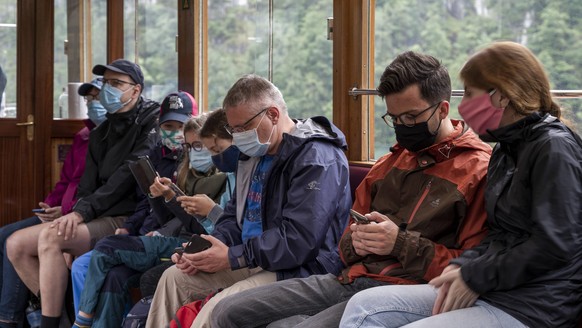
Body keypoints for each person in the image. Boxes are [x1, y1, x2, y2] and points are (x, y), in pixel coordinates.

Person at [211, 51, 492, 328]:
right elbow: (343, 244)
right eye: (393, 119)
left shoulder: (475, 170)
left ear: (442, 110)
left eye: (410, 117)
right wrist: (358, 240)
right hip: (348, 278)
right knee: (228, 311)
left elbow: (471, 268)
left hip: (405, 288)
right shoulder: (388, 164)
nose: (402, 127)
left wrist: (399, 243)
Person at [339, 42, 582, 328]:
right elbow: (500, 235)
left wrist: (475, 275)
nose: (463, 106)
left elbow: (554, 244)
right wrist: (462, 268)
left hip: (534, 304)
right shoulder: (505, 150)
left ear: (501, 96)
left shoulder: (554, 149)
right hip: (496, 288)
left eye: (469, 93)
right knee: (364, 306)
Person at [145, 74, 352, 328]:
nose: (238, 136)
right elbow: (235, 217)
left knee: (217, 309)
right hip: (252, 257)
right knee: (173, 278)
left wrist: (233, 257)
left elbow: (300, 241)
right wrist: (205, 248)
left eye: (243, 128)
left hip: (300, 268)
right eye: (234, 130)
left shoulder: (316, 157)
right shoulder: (253, 154)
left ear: (273, 115)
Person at [7, 59, 160, 328]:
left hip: (127, 217)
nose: (107, 89)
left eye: (116, 83)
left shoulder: (150, 125)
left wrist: (80, 215)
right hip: (97, 215)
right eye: (105, 83)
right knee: (15, 244)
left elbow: (124, 179)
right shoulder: (101, 132)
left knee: (51, 239)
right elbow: (87, 185)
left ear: (135, 91)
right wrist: (75, 215)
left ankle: (49, 324)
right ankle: (61, 318)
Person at [72, 109, 236, 328]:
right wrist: (161, 196)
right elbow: (168, 218)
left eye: (200, 146)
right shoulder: (187, 173)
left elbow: (203, 227)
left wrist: (182, 203)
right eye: (188, 147)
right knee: (115, 277)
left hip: (191, 243)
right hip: (175, 238)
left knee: (108, 247)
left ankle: (82, 321)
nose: (194, 152)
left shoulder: (227, 175)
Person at [70, 90, 198, 314]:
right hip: (141, 234)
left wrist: (160, 234)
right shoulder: (154, 156)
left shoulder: (194, 162)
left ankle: (85, 319)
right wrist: (129, 227)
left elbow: (185, 215)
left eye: (181, 127)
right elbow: (144, 203)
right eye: (168, 127)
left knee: (107, 268)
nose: (175, 133)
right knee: (82, 266)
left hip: (167, 240)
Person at [0, 78, 104, 328]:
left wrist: (67, 211)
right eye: (89, 99)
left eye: (97, 98)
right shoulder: (83, 136)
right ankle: (22, 313)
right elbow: (66, 181)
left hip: (81, 215)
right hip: (60, 211)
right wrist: (50, 206)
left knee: (15, 242)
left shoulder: (108, 142)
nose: (92, 104)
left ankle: (11, 320)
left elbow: (99, 192)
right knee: (3, 234)